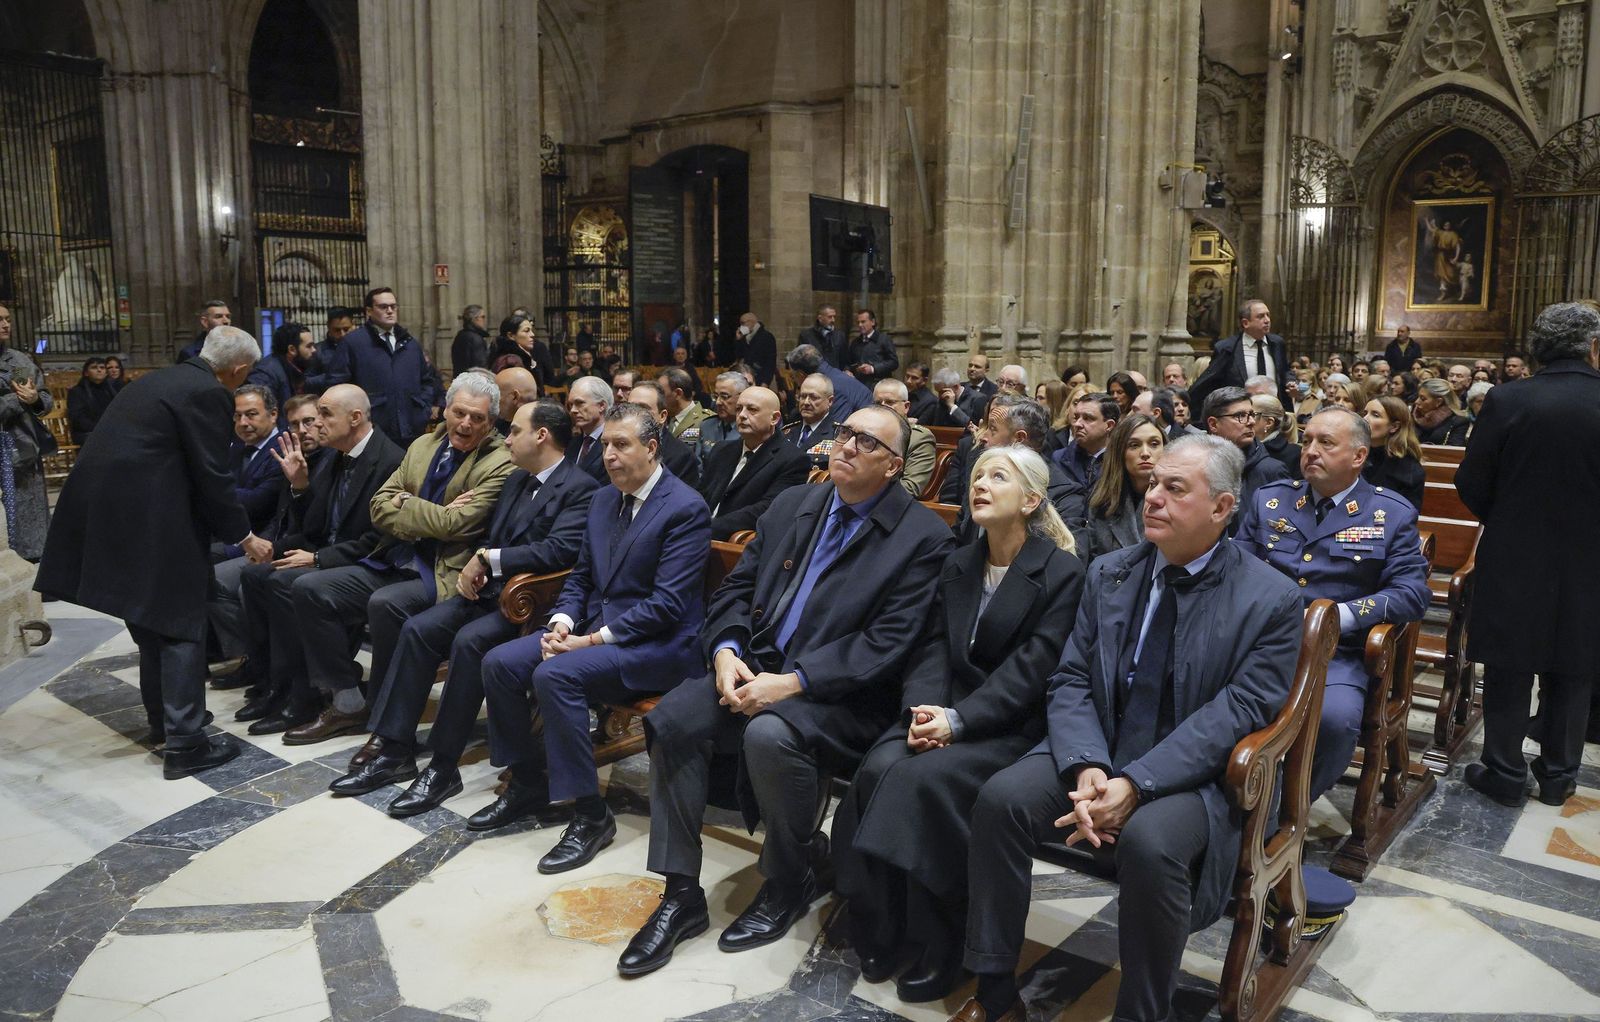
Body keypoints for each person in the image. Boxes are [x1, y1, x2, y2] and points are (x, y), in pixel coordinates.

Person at [954, 434, 1303, 1022]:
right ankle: (993, 990)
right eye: (1154, 483)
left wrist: (1138, 783)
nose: (1153, 497)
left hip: (1195, 771)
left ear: (1221, 508)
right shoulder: (1112, 572)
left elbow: (1240, 711)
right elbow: (1069, 679)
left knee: (1148, 841)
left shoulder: (1269, 598)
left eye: (1175, 488)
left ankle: (1144, 1012)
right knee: (1002, 799)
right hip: (1102, 743)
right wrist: (1087, 763)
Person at [618, 405, 955, 977]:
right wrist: (725, 650)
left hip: (842, 696)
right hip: (756, 666)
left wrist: (794, 683)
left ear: (894, 466)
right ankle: (679, 895)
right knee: (674, 720)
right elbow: (737, 586)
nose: (845, 445)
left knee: (772, 735)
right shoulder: (795, 503)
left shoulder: (922, 536)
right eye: (844, 433)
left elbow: (887, 642)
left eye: (865, 442)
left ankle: (788, 877)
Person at [831, 445, 1085, 1002]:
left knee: (919, 780)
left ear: (1032, 500)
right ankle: (885, 918)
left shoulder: (1060, 572)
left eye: (999, 477)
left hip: (1009, 727)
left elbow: (1033, 670)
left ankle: (943, 937)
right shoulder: (959, 560)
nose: (981, 484)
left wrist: (959, 721)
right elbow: (928, 648)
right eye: (976, 476)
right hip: (941, 711)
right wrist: (924, 710)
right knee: (878, 766)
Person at [331, 399, 599, 804]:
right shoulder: (517, 479)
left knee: (469, 642)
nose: (506, 439)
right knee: (417, 629)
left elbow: (559, 551)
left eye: (514, 432)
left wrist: (489, 558)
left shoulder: (580, 488)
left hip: (532, 602)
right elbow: (490, 533)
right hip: (490, 591)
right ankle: (394, 748)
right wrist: (480, 557)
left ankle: (443, 765)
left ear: (541, 435)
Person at [473, 403, 711, 857]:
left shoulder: (684, 508)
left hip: (659, 646)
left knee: (555, 674)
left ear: (653, 448)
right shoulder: (604, 498)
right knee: (500, 662)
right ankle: (527, 782)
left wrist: (590, 640)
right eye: (605, 445)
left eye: (622, 445)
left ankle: (590, 815)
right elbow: (582, 576)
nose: (609, 456)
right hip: (593, 633)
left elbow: (668, 604)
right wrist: (562, 622)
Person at [38, 326, 273, 777]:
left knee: (152, 624)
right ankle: (186, 744)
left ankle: (164, 723)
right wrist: (244, 536)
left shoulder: (160, 379)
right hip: (150, 522)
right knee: (181, 626)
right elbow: (212, 476)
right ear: (239, 369)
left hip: (115, 518)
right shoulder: (208, 392)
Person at [278, 373, 515, 744]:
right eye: (459, 413)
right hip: (395, 556)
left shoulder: (500, 461)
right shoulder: (423, 445)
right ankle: (347, 699)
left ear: (491, 422)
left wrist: (408, 503)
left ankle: (382, 715)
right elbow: (379, 506)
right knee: (309, 589)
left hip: (443, 568)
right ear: (445, 411)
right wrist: (427, 512)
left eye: (478, 418)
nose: (466, 424)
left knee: (385, 604)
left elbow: (457, 524)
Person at [1237, 407, 1429, 801]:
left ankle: (1287, 809)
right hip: (1259, 643)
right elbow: (1234, 566)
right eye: (1307, 440)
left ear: (1358, 456)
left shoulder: (1389, 514)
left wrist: (1340, 617)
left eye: (1326, 443)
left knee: (1335, 721)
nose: (1310, 451)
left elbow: (1411, 593)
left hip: (1336, 653)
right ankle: (1228, 798)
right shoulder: (1270, 502)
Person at [1457, 302, 1600, 808]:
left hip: (1517, 554)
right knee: (1575, 666)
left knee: (1509, 666)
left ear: (1539, 347)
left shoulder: (1509, 399)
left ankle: (1504, 772)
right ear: (1592, 347)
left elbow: (1471, 483)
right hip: (1591, 562)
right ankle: (1559, 777)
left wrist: (1511, 518)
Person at [234, 385, 406, 732]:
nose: (316, 426)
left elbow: (380, 539)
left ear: (355, 418)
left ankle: (306, 695)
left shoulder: (389, 460)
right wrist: (299, 486)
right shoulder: (336, 455)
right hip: (332, 551)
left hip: (373, 562)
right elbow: (315, 525)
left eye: (325, 414)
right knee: (254, 576)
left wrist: (317, 559)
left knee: (286, 583)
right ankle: (277, 683)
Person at [211, 394, 328, 698]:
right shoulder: (274, 454)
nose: (302, 430)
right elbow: (282, 515)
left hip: (302, 548)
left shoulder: (322, 459)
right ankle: (259, 666)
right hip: (275, 539)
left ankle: (280, 676)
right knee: (228, 574)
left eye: (310, 421)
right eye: (296, 424)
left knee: (250, 581)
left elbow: (312, 525)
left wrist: (269, 549)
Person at [949, 397, 1086, 542]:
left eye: (993, 429)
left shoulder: (1065, 496)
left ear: (1019, 439)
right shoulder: (981, 479)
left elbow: (1069, 556)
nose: (983, 436)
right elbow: (959, 537)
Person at [320, 287, 444, 446]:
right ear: (369, 311)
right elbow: (337, 385)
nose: (390, 311)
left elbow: (427, 380)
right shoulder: (353, 343)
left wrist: (422, 409)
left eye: (393, 306)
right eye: (384, 307)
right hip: (372, 428)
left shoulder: (410, 343)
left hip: (411, 427)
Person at [697, 386, 809, 540]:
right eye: (738, 409)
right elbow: (701, 494)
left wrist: (706, 528)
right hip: (697, 533)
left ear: (774, 419)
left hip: (735, 541)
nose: (742, 415)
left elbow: (767, 509)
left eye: (752, 410)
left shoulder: (793, 459)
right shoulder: (722, 450)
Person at [1075, 413, 1163, 564]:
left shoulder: (1176, 502)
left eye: (1154, 444)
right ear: (1120, 452)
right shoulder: (1101, 502)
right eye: (1134, 445)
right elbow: (1094, 563)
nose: (1145, 453)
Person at [1202, 386, 1289, 519]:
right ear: (1213, 424)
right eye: (1240, 416)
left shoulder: (1271, 470)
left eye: (1251, 414)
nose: (1252, 422)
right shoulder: (1197, 466)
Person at [1189, 298, 1290, 412]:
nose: (1267, 320)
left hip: (1273, 411)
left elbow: (1285, 372)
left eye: (1268, 315)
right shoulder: (1227, 348)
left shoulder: (1277, 344)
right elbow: (1209, 381)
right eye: (1260, 316)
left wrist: (1291, 382)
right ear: (1245, 323)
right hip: (1242, 413)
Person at [225, 385, 286, 555]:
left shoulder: (283, 448)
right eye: (237, 416)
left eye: (251, 415)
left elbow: (257, 502)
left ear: (273, 414)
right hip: (229, 531)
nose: (243, 423)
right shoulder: (234, 449)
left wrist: (211, 489)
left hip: (261, 539)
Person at [624, 381, 700, 488]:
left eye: (643, 408)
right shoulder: (617, 446)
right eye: (629, 408)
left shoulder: (681, 456)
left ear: (662, 416)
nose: (634, 414)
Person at [873, 379, 937, 496]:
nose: (882, 407)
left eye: (889, 402)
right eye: (877, 403)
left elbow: (910, 487)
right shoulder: (866, 433)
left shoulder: (919, 438)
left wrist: (865, 491)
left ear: (906, 406)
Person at [1362, 395, 1425, 508]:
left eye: (1375, 415)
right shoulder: (1353, 455)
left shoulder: (1409, 470)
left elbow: (1406, 517)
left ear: (1394, 426)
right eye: (1365, 413)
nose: (1365, 419)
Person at [248, 322, 315, 428]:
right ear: (292, 349)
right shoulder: (266, 374)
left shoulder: (296, 367)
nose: (314, 350)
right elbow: (260, 415)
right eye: (309, 346)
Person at [1051, 391, 1119, 493]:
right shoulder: (1059, 458)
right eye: (1076, 417)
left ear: (1109, 425)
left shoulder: (1122, 461)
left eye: (1087, 418)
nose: (1077, 424)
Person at [785, 342, 870, 424]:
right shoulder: (835, 375)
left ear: (801, 374)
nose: (794, 381)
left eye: (793, 376)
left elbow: (835, 430)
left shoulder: (830, 388)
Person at [783, 373, 843, 470]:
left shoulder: (839, 435)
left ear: (830, 401)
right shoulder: (786, 433)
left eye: (813, 397)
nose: (806, 402)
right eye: (802, 396)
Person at [564, 376, 613, 483]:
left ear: (601, 406)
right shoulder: (571, 443)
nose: (573, 410)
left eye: (579, 403)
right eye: (570, 405)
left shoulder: (613, 444)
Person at [696, 371, 748, 465]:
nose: (718, 402)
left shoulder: (749, 428)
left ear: (741, 397)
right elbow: (697, 466)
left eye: (724, 397)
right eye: (716, 396)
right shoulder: (706, 426)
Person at [66, 356, 117, 446]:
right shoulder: (77, 392)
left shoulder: (111, 390)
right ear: (86, 373)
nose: (99, 370)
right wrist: (100, 429)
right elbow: (78, 420)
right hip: (86, 433)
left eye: (102, 368)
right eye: (94, 368)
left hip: (109, 430)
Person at [304, 307, 356, 393]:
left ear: (353, 324)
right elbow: (306, 382)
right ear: (328, 326)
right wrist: (333, 376)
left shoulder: (362, 347)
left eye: (346, 329)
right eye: (337, 330)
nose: (342, 334)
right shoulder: (316, 351)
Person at [1254, 393, 1302, 480]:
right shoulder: (1244, 446)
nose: (1247, 420)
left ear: (1269, 423)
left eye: (1252, 415)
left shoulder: (1295, 454)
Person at [657, 367, 712, 441]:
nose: (658, 398)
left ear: (678, 393)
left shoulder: (706, 422)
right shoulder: (661, 418)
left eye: (661, 393)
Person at [1410, 377, 1469, 446]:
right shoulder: (1410, 416)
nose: (1416, 402)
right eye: (1418, 397)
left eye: (1423, 399)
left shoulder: (1458, 422)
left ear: (1438, 402)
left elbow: (1453, 452)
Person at [848, 308, 898, 382]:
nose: (860, 325)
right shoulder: (855, 342)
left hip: (878, 383)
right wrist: (848, 370)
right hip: (859, 383)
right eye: (858, 322)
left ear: (873, 322)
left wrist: (873, 368)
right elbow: (849, 362)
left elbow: (893, 362)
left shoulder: (884, 339)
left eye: (863, 322)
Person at [494, 366, 539, 435]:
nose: (493, 402)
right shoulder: (500, 424)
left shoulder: (538, 432)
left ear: (515, 397)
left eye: (497, 396)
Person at [799, 304, 846, 369]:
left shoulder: (839, 335)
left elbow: (844, 359)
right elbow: (800, 359)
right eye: (830, 317)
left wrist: (846, 370)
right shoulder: (806, 336)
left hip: (834, 375)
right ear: (820, 318)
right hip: (815, 376)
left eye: (834, 317)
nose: (833, 320)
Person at [736, 312, 777, 385]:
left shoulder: (766, 337)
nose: (741, 326)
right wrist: (738, 340)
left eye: (743, 323)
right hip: (746, 376)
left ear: (751, 322)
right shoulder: (744, 337)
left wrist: (766, 382)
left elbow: (770, 361)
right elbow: (739, 355)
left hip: (760, 376)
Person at [452, 304, 490, 376]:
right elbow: (480, 367)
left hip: (460, 379)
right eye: (482, 317)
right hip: (473, 381)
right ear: (475, 318)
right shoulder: (476, 338)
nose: (484, 320)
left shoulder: (460, 335)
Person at [1035, 378, 1072, 450]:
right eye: (1036, 398)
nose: (1036, 402)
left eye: (1041, 398)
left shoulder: (1063, 432)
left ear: (1055, 401)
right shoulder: (1036, 425)